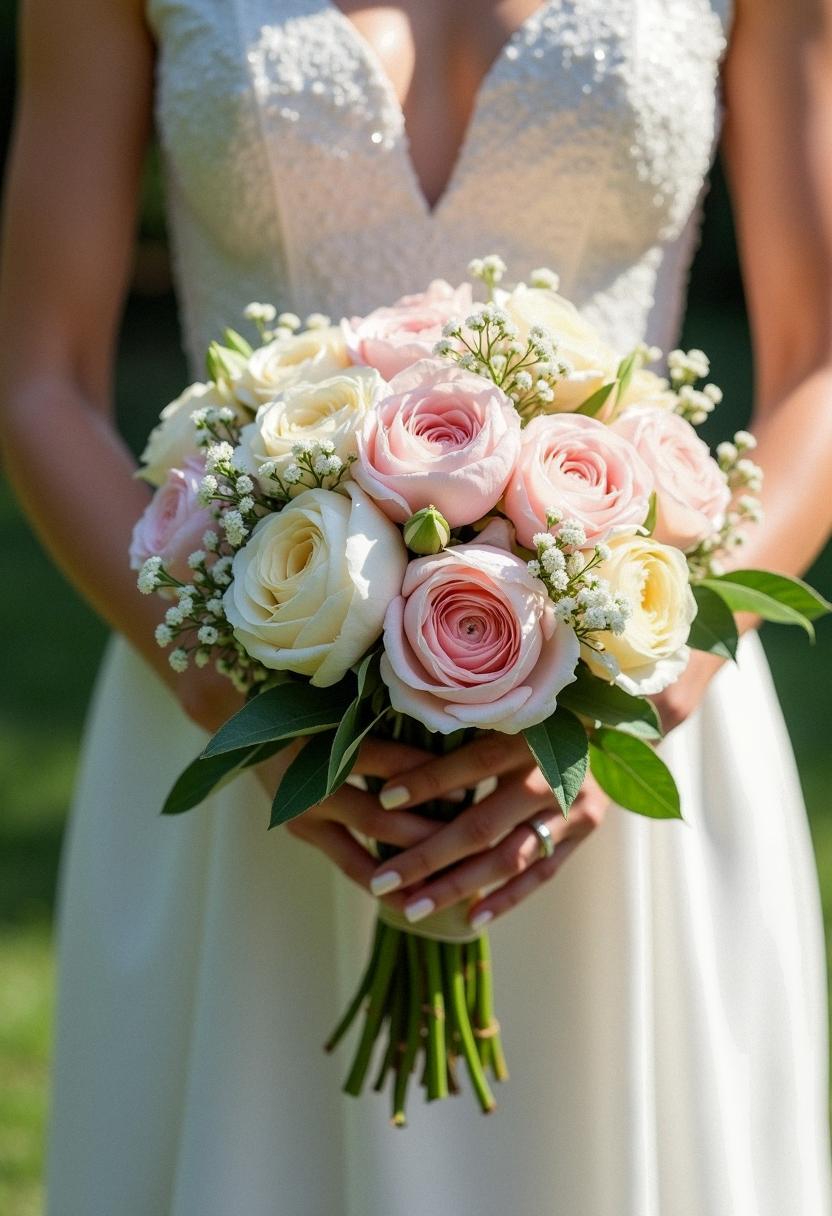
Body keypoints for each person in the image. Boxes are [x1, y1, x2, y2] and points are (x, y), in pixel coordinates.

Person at [2, 0, 832, 1212]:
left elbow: (818, 361)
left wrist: (644, 695)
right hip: (241, 732)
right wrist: (224, 690)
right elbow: (40, 373)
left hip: (624, 735)